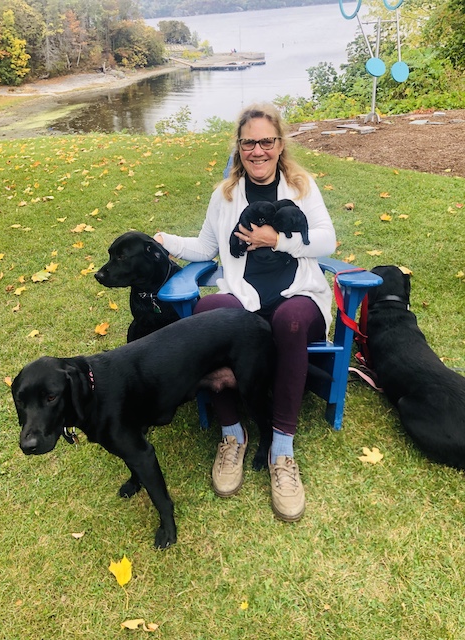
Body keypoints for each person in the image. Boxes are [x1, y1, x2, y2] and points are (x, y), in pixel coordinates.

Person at [154, 103, 336, 522]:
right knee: (209, 309)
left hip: (297, 294)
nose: (258, 150)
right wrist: (166, 240)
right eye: (249, 142)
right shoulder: (226, 195)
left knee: (290, 320)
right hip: (244, 297)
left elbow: (326, 241)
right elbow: (205, 248)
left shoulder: (301, 186)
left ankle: (283, 449)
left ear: (279, 144)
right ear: (239, 146)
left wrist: (278, 240)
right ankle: (232, 433)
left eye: (266, 141)